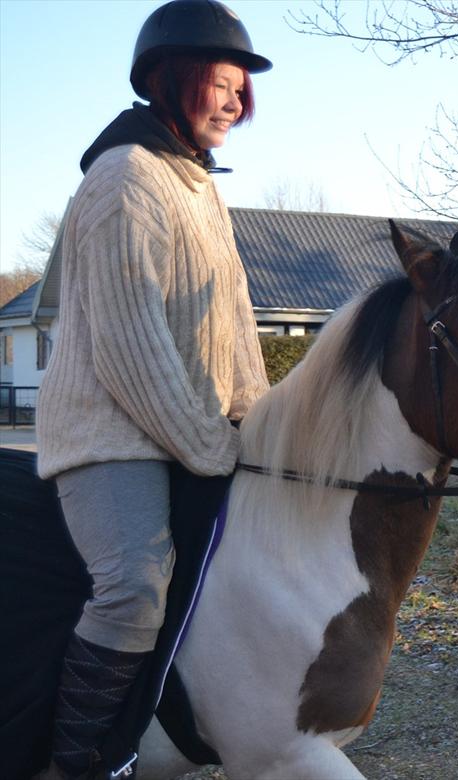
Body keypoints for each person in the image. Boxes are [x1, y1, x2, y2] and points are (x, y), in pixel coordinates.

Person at [34, 1, 271, 777]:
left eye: (243, 87)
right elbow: (134, 351)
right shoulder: (123, 180)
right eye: (222, 83)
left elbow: (236, 330)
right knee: (134, 587)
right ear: (171, 80)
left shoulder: (200, 188)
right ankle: (79, 761)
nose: (236, 100)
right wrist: (216, 447)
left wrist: (262, 428)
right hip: (110, 436)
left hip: (190, 432)